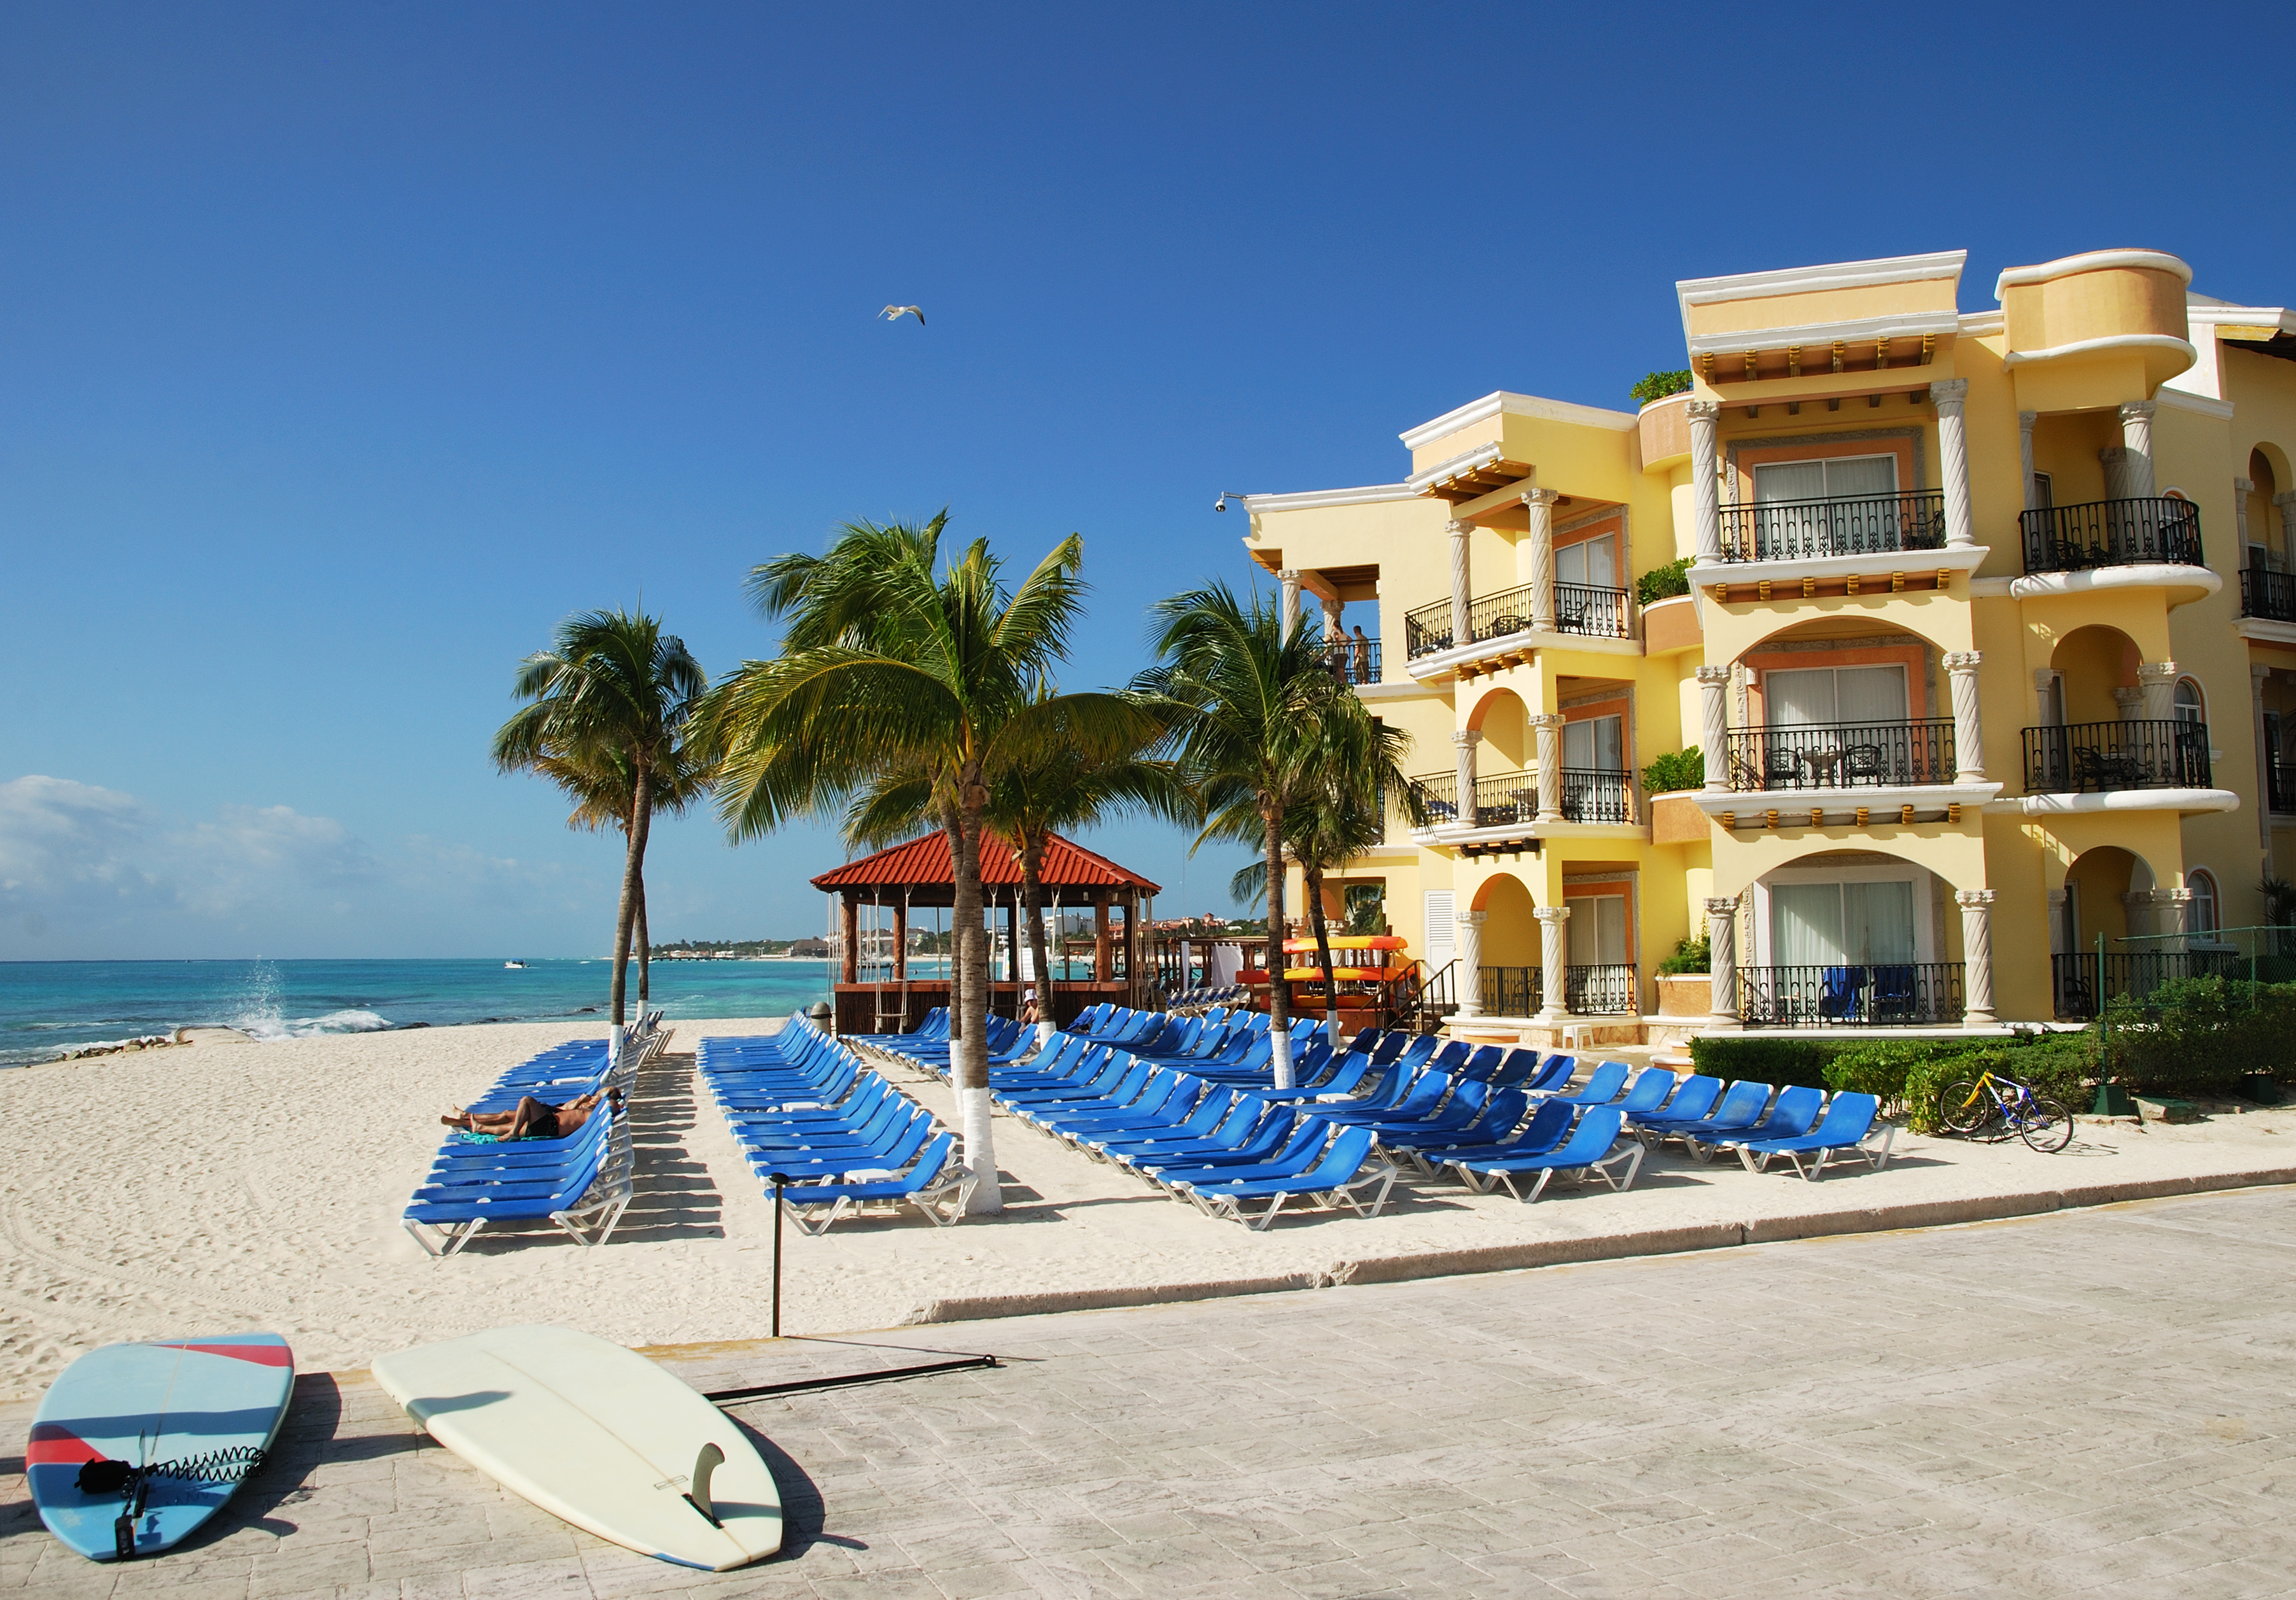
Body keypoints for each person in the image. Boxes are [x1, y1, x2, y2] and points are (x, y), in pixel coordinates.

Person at [442, 1087, 618, 1140]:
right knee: (507, 1121)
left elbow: (614, 1103)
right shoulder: (592, 1109)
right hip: (550, 1121)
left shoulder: (599, 1111)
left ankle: (470, 1121)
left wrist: (610, 1094)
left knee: (526, 1102)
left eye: (601, 1095)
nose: (597, 1096)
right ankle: (471, 1123)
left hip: (551, 1126)